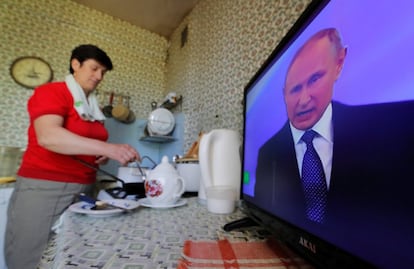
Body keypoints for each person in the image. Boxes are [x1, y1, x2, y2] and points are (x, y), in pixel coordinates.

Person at [254, 28, 414, 265]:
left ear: (338, 65)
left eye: (315, 79)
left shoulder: (393, 129)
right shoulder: (268, 154)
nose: (304, 99)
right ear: (284, 94)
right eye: (295, 89)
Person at [5, 44, 141, 269]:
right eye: (94, 68)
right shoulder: (52, 92)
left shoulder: (92, 109)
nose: (99, 77)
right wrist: (108, 148)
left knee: (72, 251)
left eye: (103, 73)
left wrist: (100, 155)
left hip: (85, 188)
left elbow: (83, 144)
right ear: (75, 64)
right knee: (30, 253)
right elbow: (48, 136)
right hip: (45, 187)